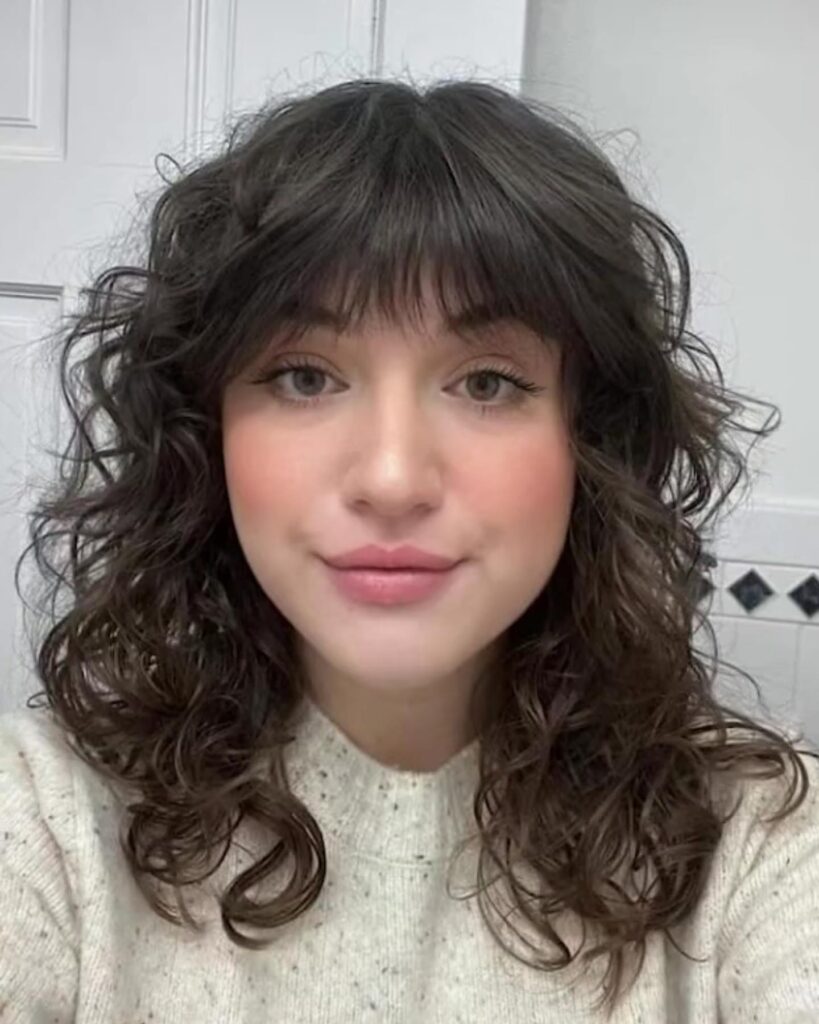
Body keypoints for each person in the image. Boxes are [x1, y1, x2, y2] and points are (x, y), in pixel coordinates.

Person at [1, 75, 817, 1024]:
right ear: (204, 431)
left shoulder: (757, 836)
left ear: (588, 440)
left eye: (486, 383)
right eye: (304, 375)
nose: (391, 479)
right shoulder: (50, 825)